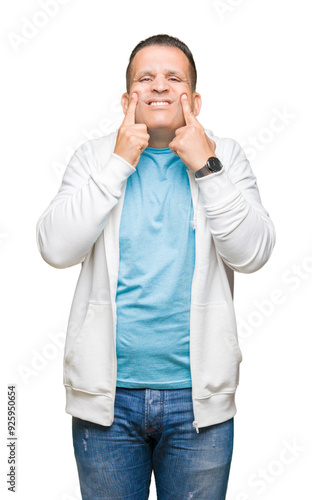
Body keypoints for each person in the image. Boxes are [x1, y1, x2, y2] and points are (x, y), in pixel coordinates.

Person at [36, 34, 276, 499]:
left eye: (173, 78)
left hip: (198, 404)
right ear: (128, 99)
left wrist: (206, 167)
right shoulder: (93, 157)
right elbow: (55, 247)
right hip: (107, 402)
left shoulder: (224, 156)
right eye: (145, 78)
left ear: (195, 99)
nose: (159, 87)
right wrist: (118, 163)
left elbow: (254, 252)